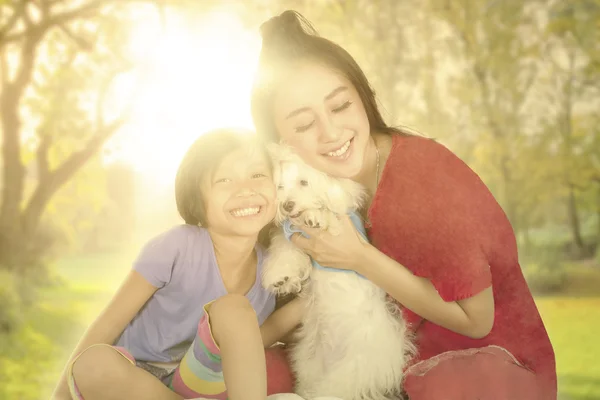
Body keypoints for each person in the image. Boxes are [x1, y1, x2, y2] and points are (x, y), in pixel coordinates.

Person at [250, 10, 557, 400]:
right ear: (279, 144)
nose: (331, 133)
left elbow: (477, 320)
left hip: (479, 367)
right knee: (260, 376)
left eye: (340, 106)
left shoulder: (422, 178)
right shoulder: (311, 190)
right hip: (373, 355)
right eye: (304, 125)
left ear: (363, 98)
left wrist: (359, 256)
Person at [51, 129, 300, 400]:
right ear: (197, 198)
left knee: (233, 307)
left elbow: (253, 341)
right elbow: (107, 325)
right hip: (136, 376)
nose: (245, 189)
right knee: (92, 364)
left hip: (201, 378)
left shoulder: (274, 269)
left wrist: (312, 302)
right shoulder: (176, 247)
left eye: (258, 175)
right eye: (225, 179)